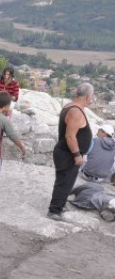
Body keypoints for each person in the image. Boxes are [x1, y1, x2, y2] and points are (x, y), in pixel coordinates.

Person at [47, 83, 94, 220]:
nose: (91, 100)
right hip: (68, 154)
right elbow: (70, 136)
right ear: (87, 97)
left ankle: (59, 204)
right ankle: (55, 211)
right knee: (64, 182)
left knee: (65, 181)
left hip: (65, 152)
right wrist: (77, 155)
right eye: (91, 97)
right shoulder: (75, 111)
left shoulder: (71, 106)